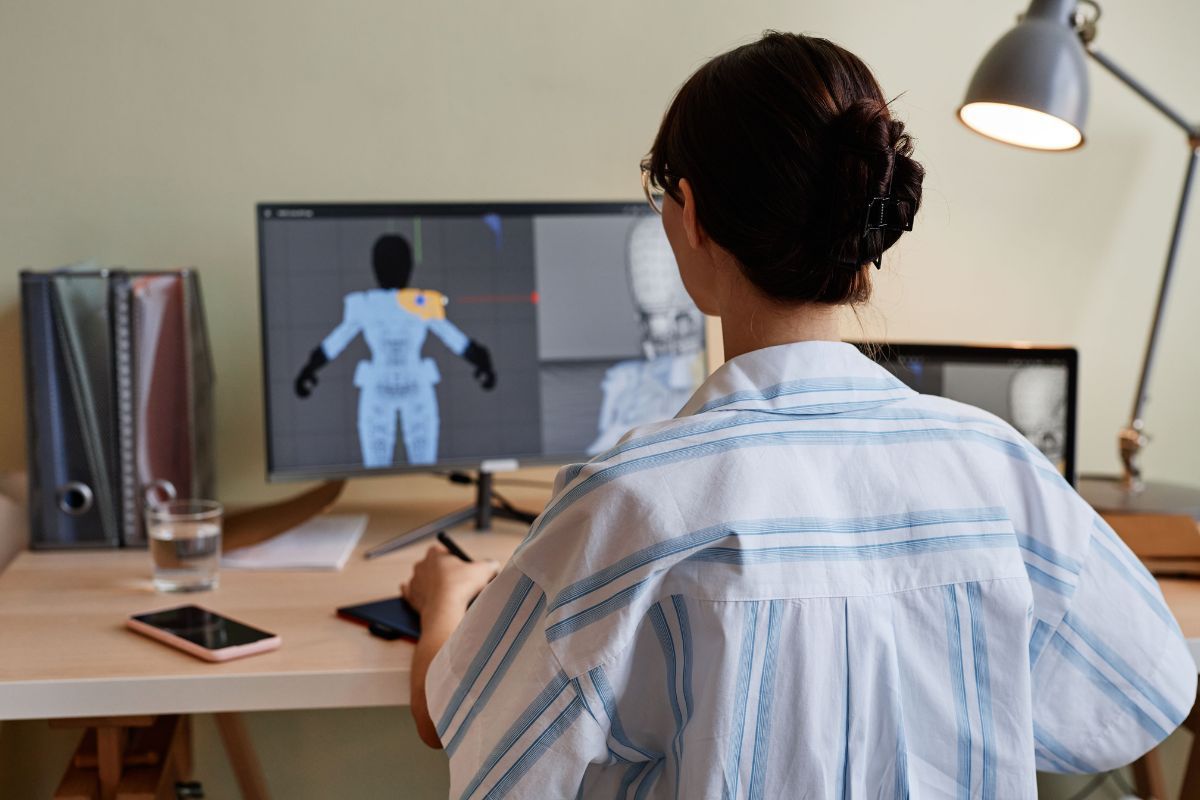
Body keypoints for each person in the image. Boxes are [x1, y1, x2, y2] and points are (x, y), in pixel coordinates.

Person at [400, 32, 1196, 798]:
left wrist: (443, 596)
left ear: (691, 213)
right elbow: (1145, 690)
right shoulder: (999, 465)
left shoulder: (628, 501)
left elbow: (460, 722)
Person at [294, 234, 497, 467]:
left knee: (420, 465)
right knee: (381, 465)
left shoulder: (412, 303)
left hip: (405, 388)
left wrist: (309, 369)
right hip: (388, 389)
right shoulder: (383, 304)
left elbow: (452, 337)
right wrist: (482, 362)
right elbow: (337, 341)